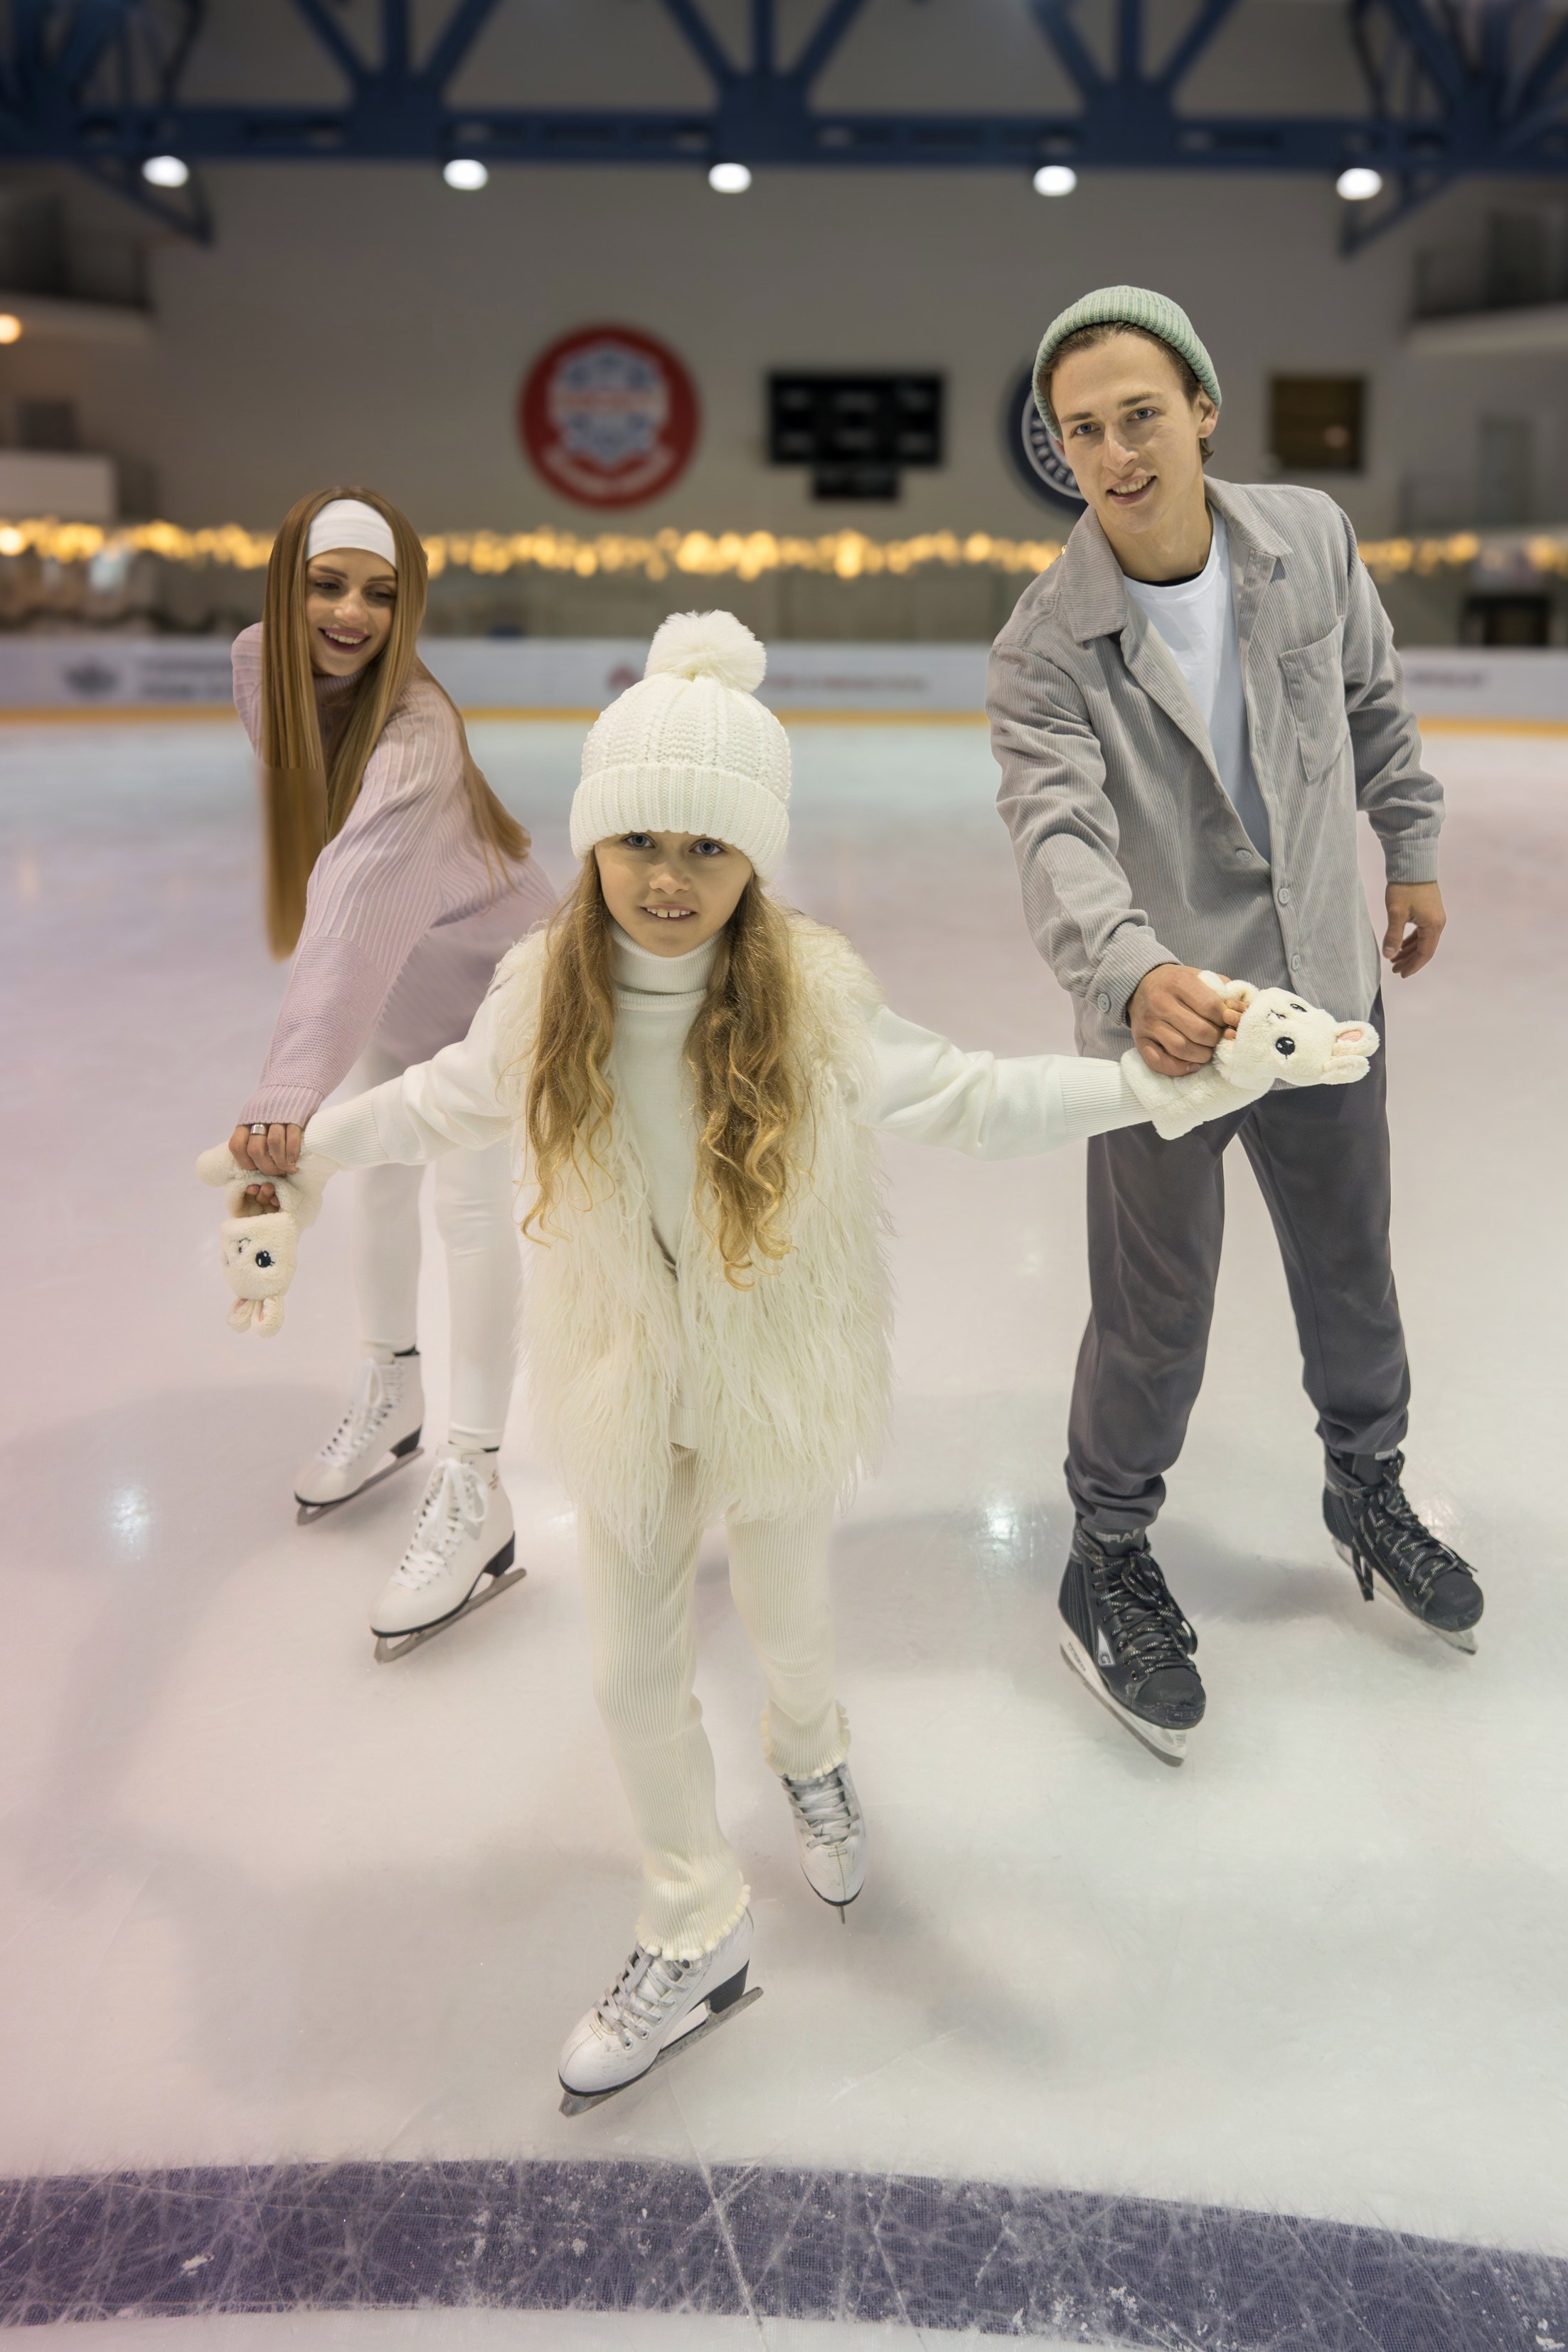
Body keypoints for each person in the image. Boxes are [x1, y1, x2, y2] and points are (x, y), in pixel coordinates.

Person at [286, 610, 1358, 2101]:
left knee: (785, 1626)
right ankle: (692, 1921)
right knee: (628, 1677)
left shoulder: (809, 997)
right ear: (592, 841)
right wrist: (300, 1153)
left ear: (754, 861)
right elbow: (437, 1101)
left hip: (773, 1377)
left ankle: (809, 1752)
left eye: (706, 848)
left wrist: (1154, 1090)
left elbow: (975, 1098)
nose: (667, 878)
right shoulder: (542, 994)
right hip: (623, 1382)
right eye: (637, 840)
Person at [988, 284, 1483, 1762]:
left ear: (1201, 410)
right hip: (1171, 1027)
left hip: (1325, 985)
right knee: (1155, 1306)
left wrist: (1408, 846)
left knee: (1349, 1262)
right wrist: (1130, 974)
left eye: (1139, 415)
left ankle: (1365, 1483)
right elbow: (1055, 837)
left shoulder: (1305, 539)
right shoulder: (1045, 643)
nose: (1113, 453)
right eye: (1081, 431)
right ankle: (1106, 1547)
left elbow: (1372, 702)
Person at [227, 487, 555, 1649]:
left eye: (381, 593)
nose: (351, 614)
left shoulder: (419, 737)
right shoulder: (262, 666)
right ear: (288, 586)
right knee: (376, 1181)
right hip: (405, 972)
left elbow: (354, 894)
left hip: (497, 984)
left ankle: (477, 1483)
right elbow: (335, 869)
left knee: (467, 1206)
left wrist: (286, 1092)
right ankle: (393, 1391)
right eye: (327, 585)